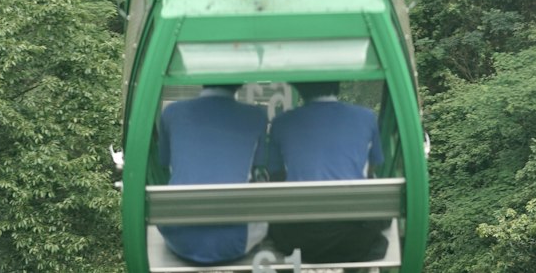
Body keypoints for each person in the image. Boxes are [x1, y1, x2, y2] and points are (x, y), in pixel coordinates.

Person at [267, 82, 390, 265]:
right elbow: (373, 167)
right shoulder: (366, 117)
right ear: (337, 86)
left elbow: (276, 176)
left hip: (297, 241)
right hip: (353, 241)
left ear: (300, 90)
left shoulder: (281, 122)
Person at [156, 84, 268, 266]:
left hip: (179, 239)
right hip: (235, 243)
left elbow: (163, 162)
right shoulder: (256, 115)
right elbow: (260, 166)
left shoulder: (172, 112)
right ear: (241, 82)